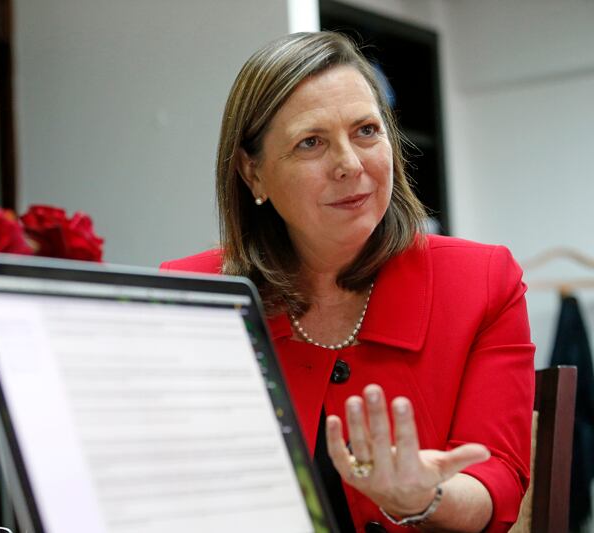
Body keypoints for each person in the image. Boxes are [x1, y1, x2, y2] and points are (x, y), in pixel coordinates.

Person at [161, 32, 534, 532]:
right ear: (253, 173)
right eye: (311, 142)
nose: (351, 165)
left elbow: (497, 480)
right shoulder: (191, 294)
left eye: (366, 131)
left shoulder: (482, 281)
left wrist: (426, 496)